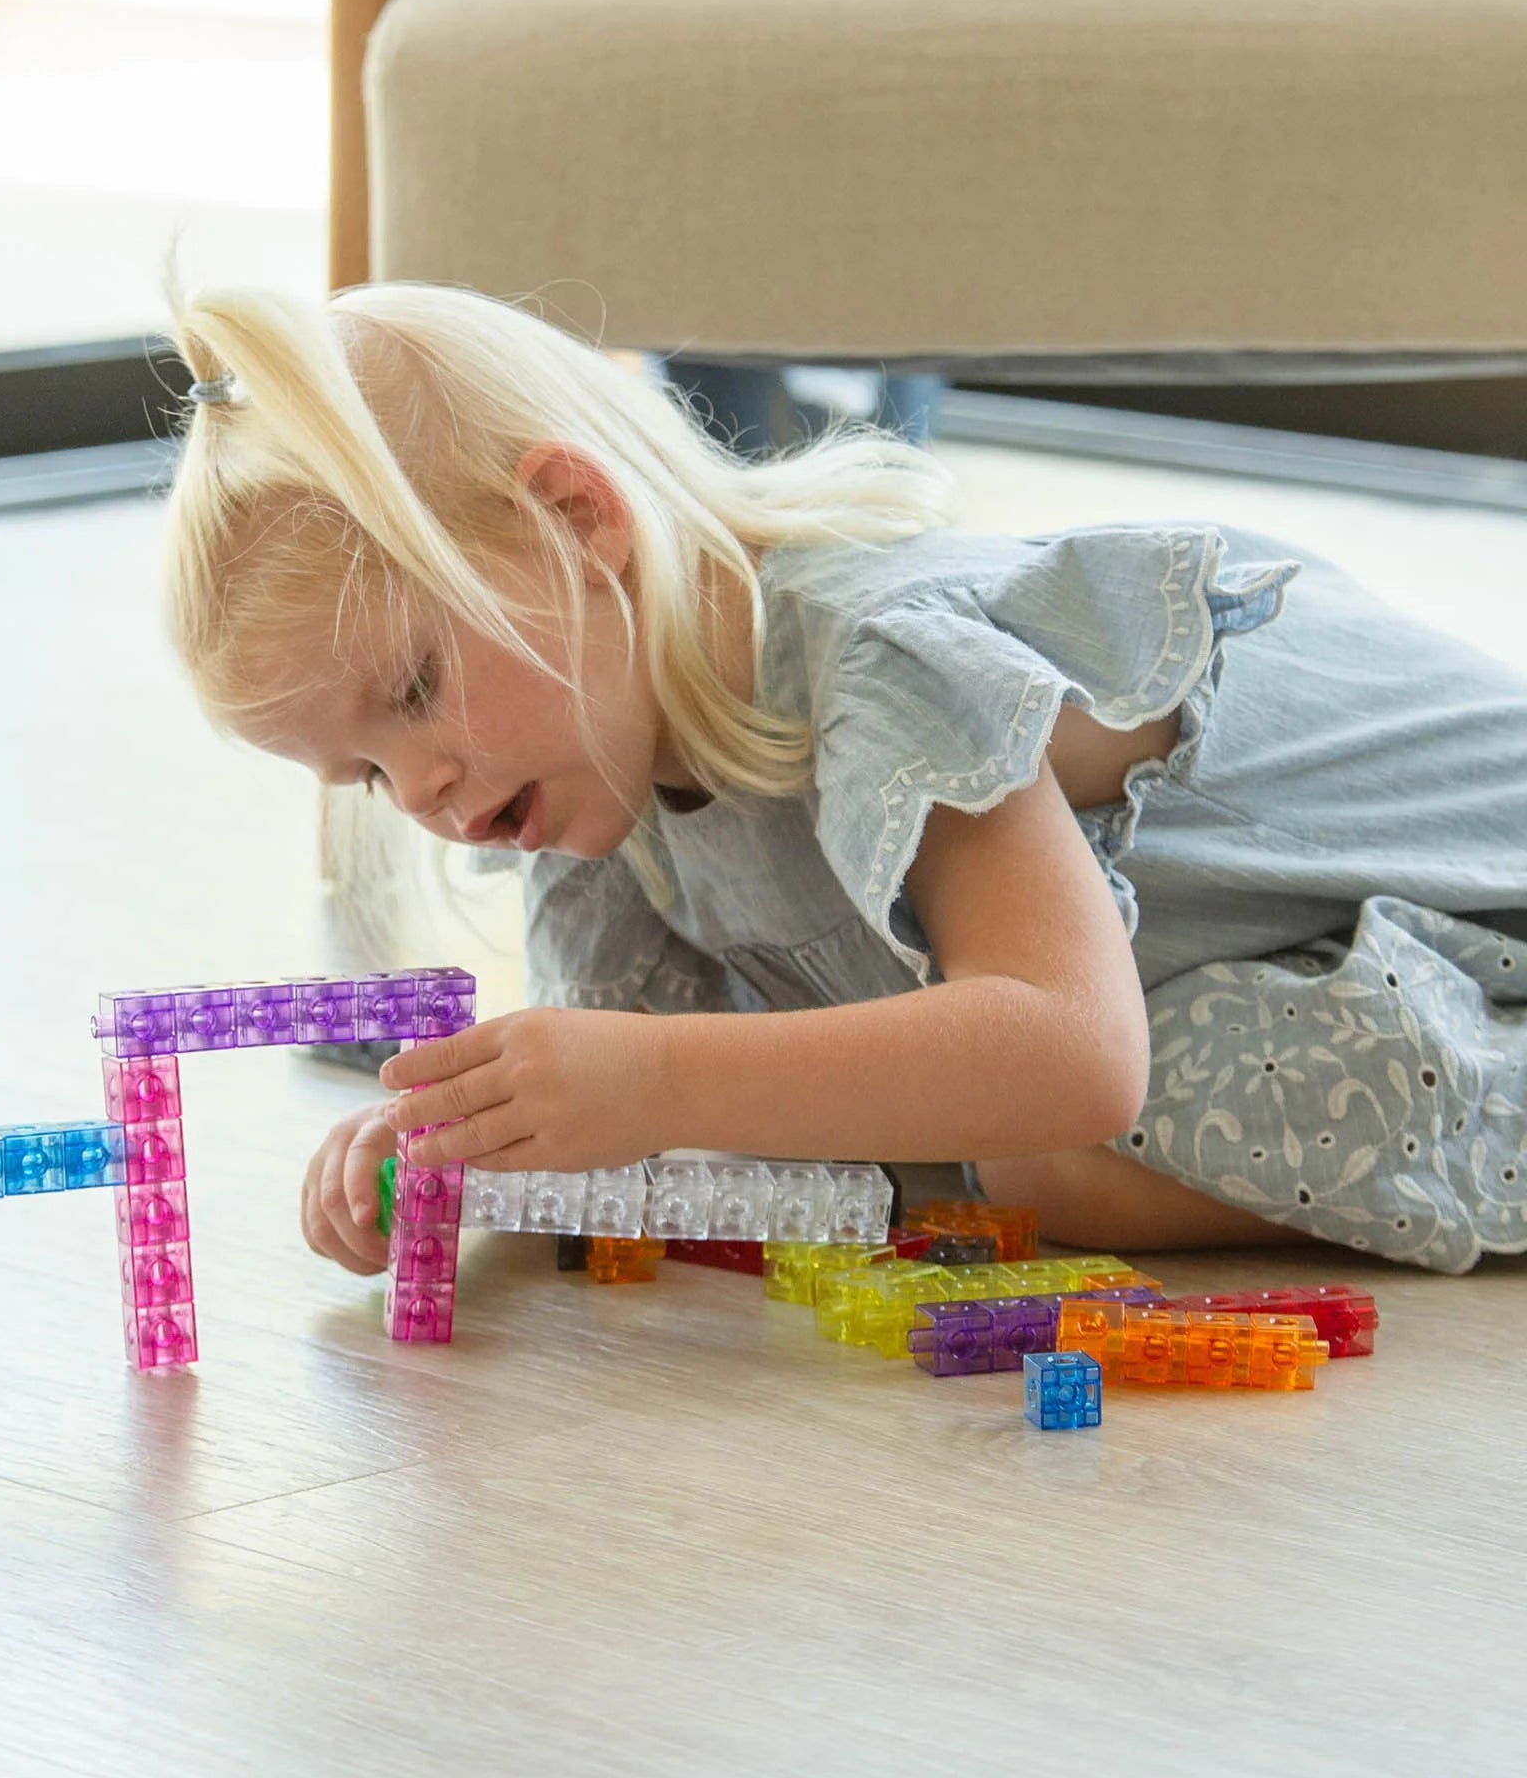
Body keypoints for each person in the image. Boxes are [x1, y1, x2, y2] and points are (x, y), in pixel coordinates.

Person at [156, 277, 1527, 1280]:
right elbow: (641, 1142)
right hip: (1343, 951)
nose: (421, 791)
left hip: (1485, 873)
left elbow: (1071, 1051)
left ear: (577, 524)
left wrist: (662, 1082)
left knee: (1050, 1153)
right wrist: (462, 1154)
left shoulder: (878, 665)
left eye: (412, 695)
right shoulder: (586, 772)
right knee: (1016, 1158)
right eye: (362, 770)